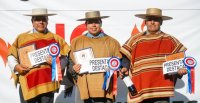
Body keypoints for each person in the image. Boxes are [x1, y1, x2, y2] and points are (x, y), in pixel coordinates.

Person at [120, 8, 188, 103]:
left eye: (155, 20)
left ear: (161, 22)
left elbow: (179, 61)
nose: (152, 22)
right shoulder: (134, 39)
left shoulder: (170, 40)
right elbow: (125, 57)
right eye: (149, 19)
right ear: (145, 22)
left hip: (161, 89)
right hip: (140, 87)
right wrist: (125, 67)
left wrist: (179, 71)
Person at [7, 8, 70, 103]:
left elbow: (66, 58)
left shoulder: (56, 38)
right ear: (32, 21)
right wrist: (16, 67)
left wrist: (56, 62)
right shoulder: (21, 38)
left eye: (43, 19)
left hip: (48, 85)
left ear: (47, 21)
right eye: (37, 19)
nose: (41, 22)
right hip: (28, 84)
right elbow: (11, 55)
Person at [69, 11, 121, 103]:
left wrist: (119, 68)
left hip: (105, 88)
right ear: (86, 24)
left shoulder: (112, 42)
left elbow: (120, 63)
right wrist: (73, 68)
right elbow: (70, 62)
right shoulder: (76, 42)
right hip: (84, 87)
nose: (93, 25)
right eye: (90, 22)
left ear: (101, 23)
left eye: (96, 22)